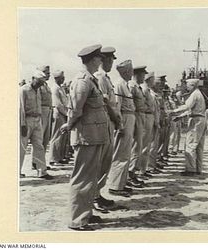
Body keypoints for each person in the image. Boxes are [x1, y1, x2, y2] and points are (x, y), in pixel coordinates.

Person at [60, 44, 108, 231]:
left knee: (91, 176)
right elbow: (76, 109)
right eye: (99, 58)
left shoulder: (90, 79)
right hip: (86, 136)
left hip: (94, 135)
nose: (101, 61)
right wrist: (69, 124)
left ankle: (86, 214)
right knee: (82, 178)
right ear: (91, 60)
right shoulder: (82, 81)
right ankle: (77, 220)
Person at [93, 46, 120, 212]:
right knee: (99, 162)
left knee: (105, 162)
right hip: (104, 122)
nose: (110, 63)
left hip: (109, 122)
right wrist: (116, 118)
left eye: (112, 60)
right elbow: (105, 103)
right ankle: (94, 197)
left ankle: (97, 194)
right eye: (108, 60)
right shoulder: (100, 78)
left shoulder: (106, 78)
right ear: (101, 60)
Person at [107, 60, 135, 197]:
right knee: (120, 154)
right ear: (125, 72)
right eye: (130, 71)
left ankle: (121, 183)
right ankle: (115, 186)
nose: (132, 73)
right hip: (124, 119)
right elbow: (117, 106)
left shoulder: (125, 85)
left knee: (126, 153)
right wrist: (120, 125)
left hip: (129, 118)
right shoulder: (119, 85)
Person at [19, 70, 53, 180]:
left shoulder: (38, 90)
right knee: (22, 147)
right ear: (33, 78)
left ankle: (42, 171)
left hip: (37, 120)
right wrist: (22, 124)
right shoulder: (24, 90)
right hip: (27, 120)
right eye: (38, 82)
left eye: (41, 83)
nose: (39, 85)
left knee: (39, 146)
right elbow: (21, 108)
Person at [170, 79, 207, 176]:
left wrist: (174, 111)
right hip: (201, 119)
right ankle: (198, 169)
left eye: (188, 86)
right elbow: (191, 110)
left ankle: (190, 169)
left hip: (196, 120)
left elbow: (187, 106)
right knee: (199, 146)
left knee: (190, 144)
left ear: (193, 85)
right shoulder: (199, 94)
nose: (186, 88)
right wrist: (180, 116)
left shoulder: (194, 94)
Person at [128, 65, 148, 184]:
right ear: (137, 75)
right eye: (143, 75)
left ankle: (133, 171)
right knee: (135, 146)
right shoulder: (132, 86)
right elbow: (130, 103)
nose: (144, 77)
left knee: (138, 146)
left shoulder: (137, 87)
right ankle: (130, 173)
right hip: (135, 116)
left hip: (140, 116)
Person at [48, 70, 69, 165]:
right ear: (56, 78)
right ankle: (54, 158)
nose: (63, 79)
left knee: (62, 136)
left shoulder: (60, 88)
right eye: (61, 78)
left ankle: (59, 157)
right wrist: (66, 113)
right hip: (58, 113)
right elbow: (58, 104)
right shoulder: (55, 88)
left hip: (63, 113)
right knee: (56, 136)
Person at [140, 72, 158, 175]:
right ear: (149, 79)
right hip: (146, 116)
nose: (154, 82)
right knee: (144, 145)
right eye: (153, 79)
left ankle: (143, 169)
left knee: (147, 145)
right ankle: (141, 171)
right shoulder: (144, 89)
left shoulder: (147, 90)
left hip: (149, 116)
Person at [37, 65, 52, 152]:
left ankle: (41, 162)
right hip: (41, 112)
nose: (49, 75)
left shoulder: (46, 85)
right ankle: (35, 163)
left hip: (48, 111)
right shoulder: (39, 86)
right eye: (47, 73)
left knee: (46, 138)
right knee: (39, 138)